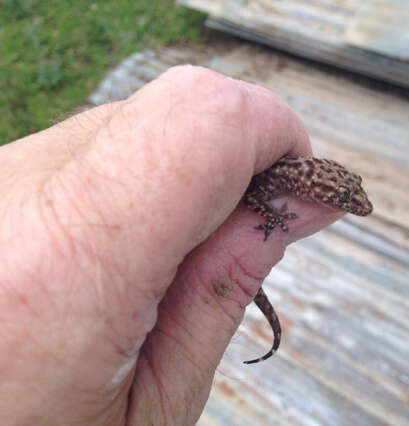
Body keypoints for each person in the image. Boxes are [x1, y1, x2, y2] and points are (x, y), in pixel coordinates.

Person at [0, 66, 344, 424]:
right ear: (309, 188)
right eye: (342, 196)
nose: (353, 206)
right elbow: (252, 201)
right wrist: (271, 220)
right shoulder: (277, 179)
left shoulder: (283, 175)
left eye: (346, 195)